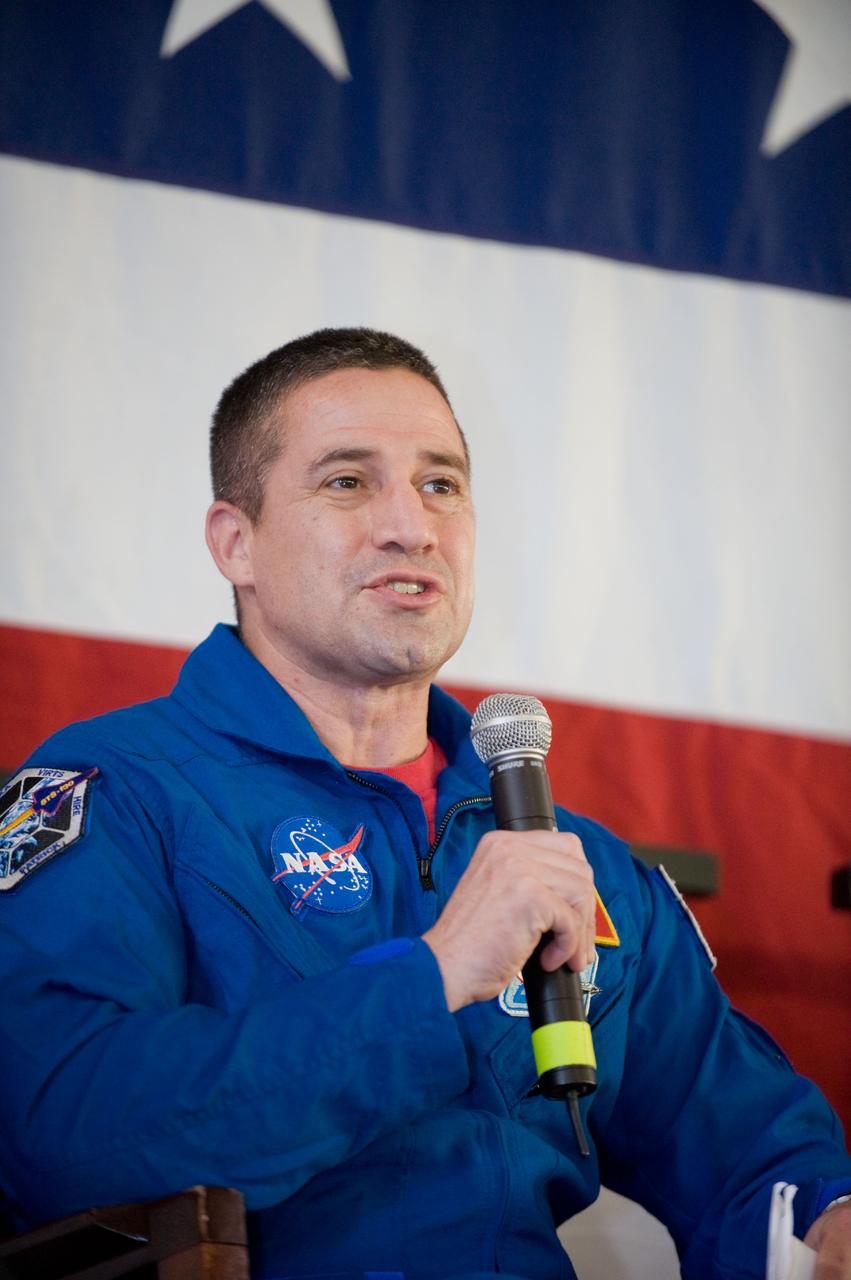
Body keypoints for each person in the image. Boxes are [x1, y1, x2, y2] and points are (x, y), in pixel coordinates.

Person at [0, 327, 849, 1280]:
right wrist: (430, 979)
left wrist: (823, 1223)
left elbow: (750, 1149)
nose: (412, 526)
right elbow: (53, 1127)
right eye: (347, 482)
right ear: (235, 542)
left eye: (441, 484)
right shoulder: (117, 792)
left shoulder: (571, 861)